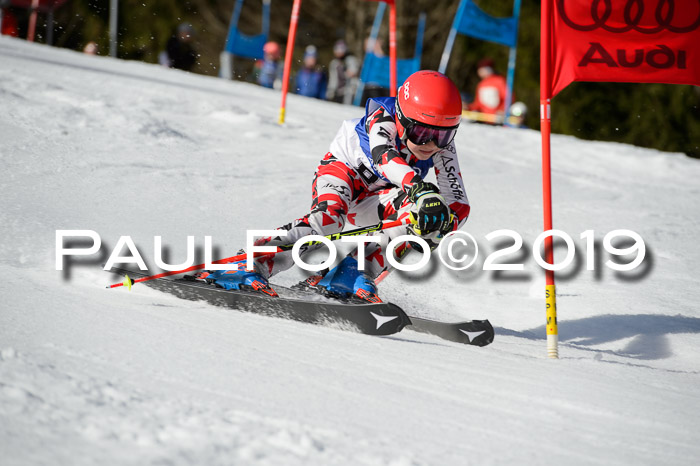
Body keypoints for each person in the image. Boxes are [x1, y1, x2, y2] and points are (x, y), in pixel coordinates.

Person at [197, 71, 470, 303]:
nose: (432, 145)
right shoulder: (382, 118)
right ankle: (249, 263)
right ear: (401, 116)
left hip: (378, 196)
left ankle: (347, 274)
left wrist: (443, 223)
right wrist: (421, 190)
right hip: (344, 172)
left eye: (444, 135)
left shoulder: (441, 147)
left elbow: (458, 200)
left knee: (419, 217)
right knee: (328, 220)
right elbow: (385, 159)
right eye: (422, 134)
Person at [326, 40, 360, 105]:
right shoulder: (334, 63)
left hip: (350, 91)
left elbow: (353, 73)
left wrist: (346, 69)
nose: (339, 52)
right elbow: (333, 79)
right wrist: (330, 91)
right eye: (337, 49)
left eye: (341, 49)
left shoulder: (351, 60)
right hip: (339, 92)